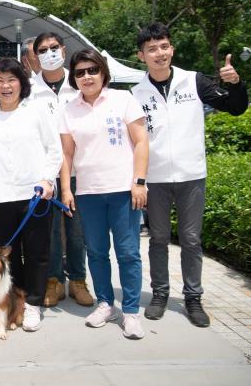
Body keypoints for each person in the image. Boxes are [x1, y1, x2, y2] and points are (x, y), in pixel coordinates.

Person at [132, 23, 249, 327]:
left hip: (191, 175)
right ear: (141, 55)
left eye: (164, 46)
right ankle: (159, 294)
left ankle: (193, 298)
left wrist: (235, 84)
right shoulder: (135, 93)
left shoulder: (193, 81)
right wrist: (137, 180)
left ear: (172, 48)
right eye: (152, 49)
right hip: (155, 179)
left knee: (191, 240)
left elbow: (235, 108)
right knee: (158, 239)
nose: (160, 53)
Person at [59, 49, 149, 339]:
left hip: (124, 191)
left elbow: (141, 141)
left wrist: (139, 181)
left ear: (103, 73)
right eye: (80, 72)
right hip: (88, 192)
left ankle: (132, 311)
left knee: (128, 253)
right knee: (96, 252)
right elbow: (66, 154)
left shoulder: (123, 99)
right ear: (74, 78)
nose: (86, 76)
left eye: (92, 70)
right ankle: (105, 303)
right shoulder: (69, 109)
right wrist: (65, 189)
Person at [0, 58, 62, 332]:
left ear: (22, 83)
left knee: (37, 253)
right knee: (10, 254)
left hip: (35, 196)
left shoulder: (35, 112)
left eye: (11, 80)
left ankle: (33, 304)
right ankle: (19, 299)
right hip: (2, 198)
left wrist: (48, 180)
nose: (5, 86)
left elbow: (54, 150)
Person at [30, 32, 93, 308]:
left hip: (81, 171)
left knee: (77, 230)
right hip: (46, 173)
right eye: (42, 50)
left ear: (64, 51)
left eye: (54, 48)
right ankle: (53, 281)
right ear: (35, 56)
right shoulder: (29, 90)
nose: (49, 53)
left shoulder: (80, 83)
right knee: (51, 231)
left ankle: (78, 280)